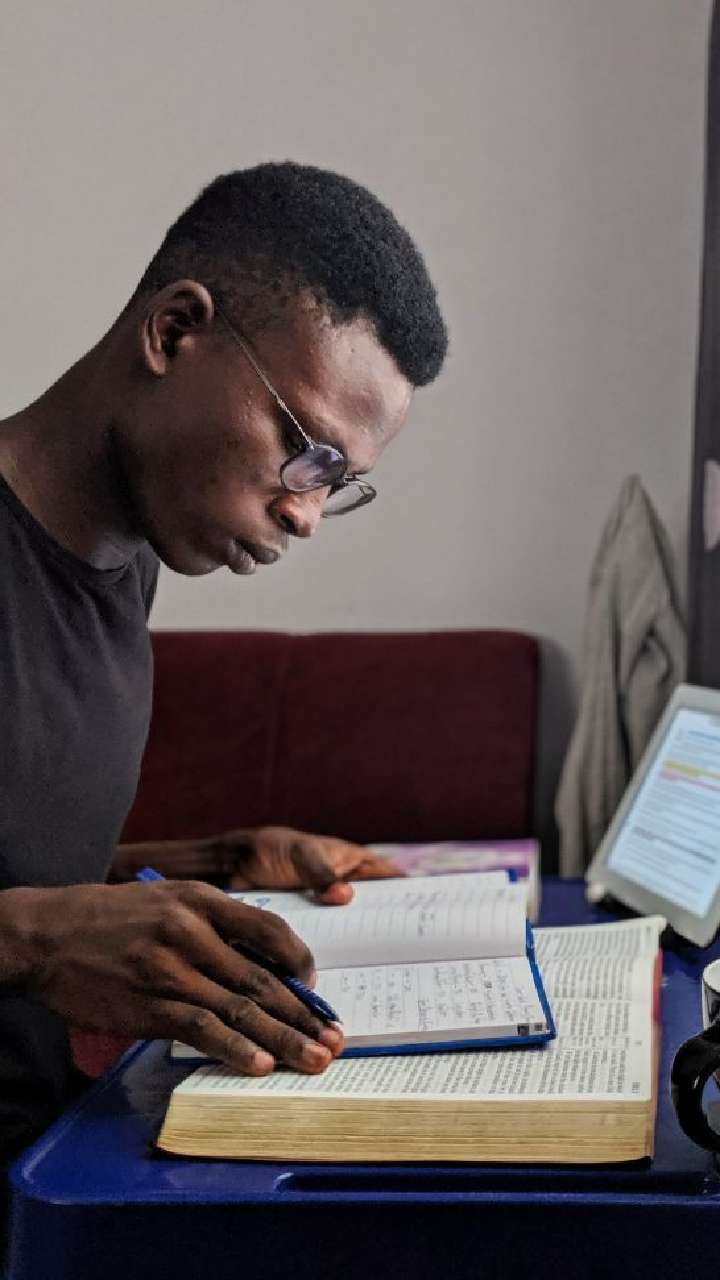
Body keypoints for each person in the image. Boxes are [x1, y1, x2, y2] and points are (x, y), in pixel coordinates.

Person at [0, 161, 448, 1193]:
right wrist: (33, 941)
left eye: (340, 485)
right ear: (173, 332)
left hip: (51, 1163)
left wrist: (217, 861)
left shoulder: (129, 561)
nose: (305, 514)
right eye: (308, 453)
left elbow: (23, 859)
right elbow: (31, 923)